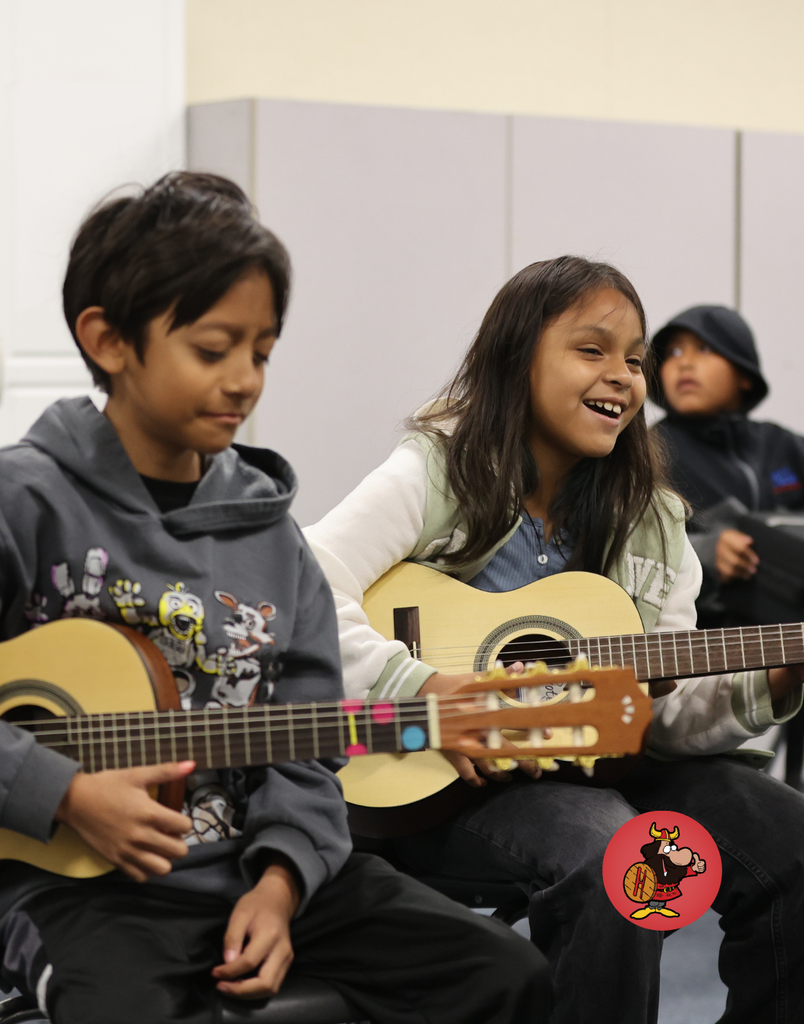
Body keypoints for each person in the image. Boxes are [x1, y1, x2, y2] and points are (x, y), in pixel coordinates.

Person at [0, 173, 552, 1024]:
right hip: (56, 879)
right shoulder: (20, 500)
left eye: (262, 351)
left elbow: (306, 747)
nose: (244, 379)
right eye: (212, 350)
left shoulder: (273, 540)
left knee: (507, 977)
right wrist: (61, 792)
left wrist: (282, 881)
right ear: (107, 340)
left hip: (248, 869)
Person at [304, 256, 804, 1024]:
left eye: (634, 360)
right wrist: (424, 688)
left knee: (789, 839)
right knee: (625, 860)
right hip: (439, 779)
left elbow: (662, 716)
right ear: (517, 356)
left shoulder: (653, 518)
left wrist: (771, 682)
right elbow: (308, 585)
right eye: (593, 349)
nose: (625, 376)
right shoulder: (438, 469)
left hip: (609, 763)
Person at [651, 304, 804, 627]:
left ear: (745, 375)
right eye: (674, 352)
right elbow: (626, 543)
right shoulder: (648, 452)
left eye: (704, 349)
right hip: (706, 650)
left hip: (792, 639)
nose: (685, 363)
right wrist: (704, 552)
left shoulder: (784, 445)